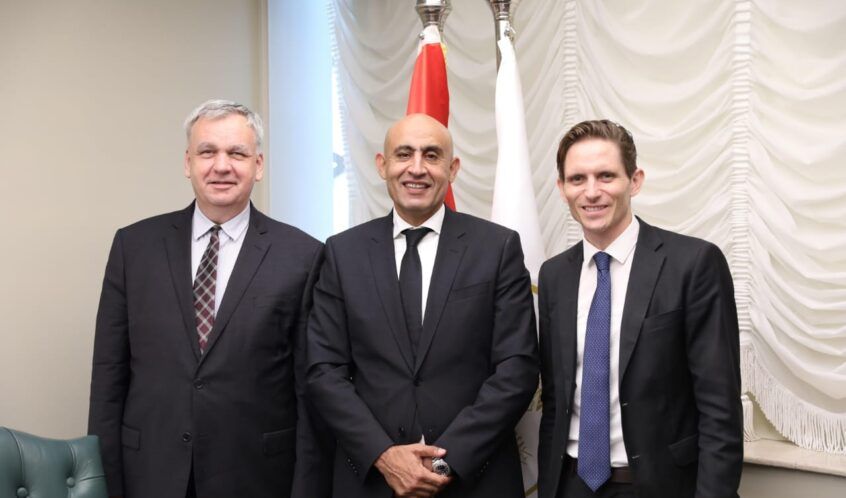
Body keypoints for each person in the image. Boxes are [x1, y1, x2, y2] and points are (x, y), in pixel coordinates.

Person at [88, 99, 328, 498]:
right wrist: (106, 483)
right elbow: (109, 375)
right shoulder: (134, 247)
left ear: (258, 165)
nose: (221, 166)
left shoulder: (303, 256)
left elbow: (309, 389)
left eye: (237, 153)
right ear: (188, 163)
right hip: (150, 473)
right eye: (207, 152)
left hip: (257, 476)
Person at [306, 113, 539, 497]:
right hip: (373, 481)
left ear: (453, 168)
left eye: (431, 155)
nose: (417, 168)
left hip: (475, 480)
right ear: (382, 165)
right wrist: (384, 456)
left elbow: (517, 367)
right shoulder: (342, 253)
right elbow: (323, 370)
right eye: (404, 154)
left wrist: (447, 461)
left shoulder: (497, 248)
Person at [536, 120, 743, 498]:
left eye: (606, 176)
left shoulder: (693, 264)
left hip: (658, 487)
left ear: (635, 181)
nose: (592, 192)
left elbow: (720, 409)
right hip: (570, 484)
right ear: (562, 188)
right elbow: (555, 399)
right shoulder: (553, 276)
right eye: (578, 179)